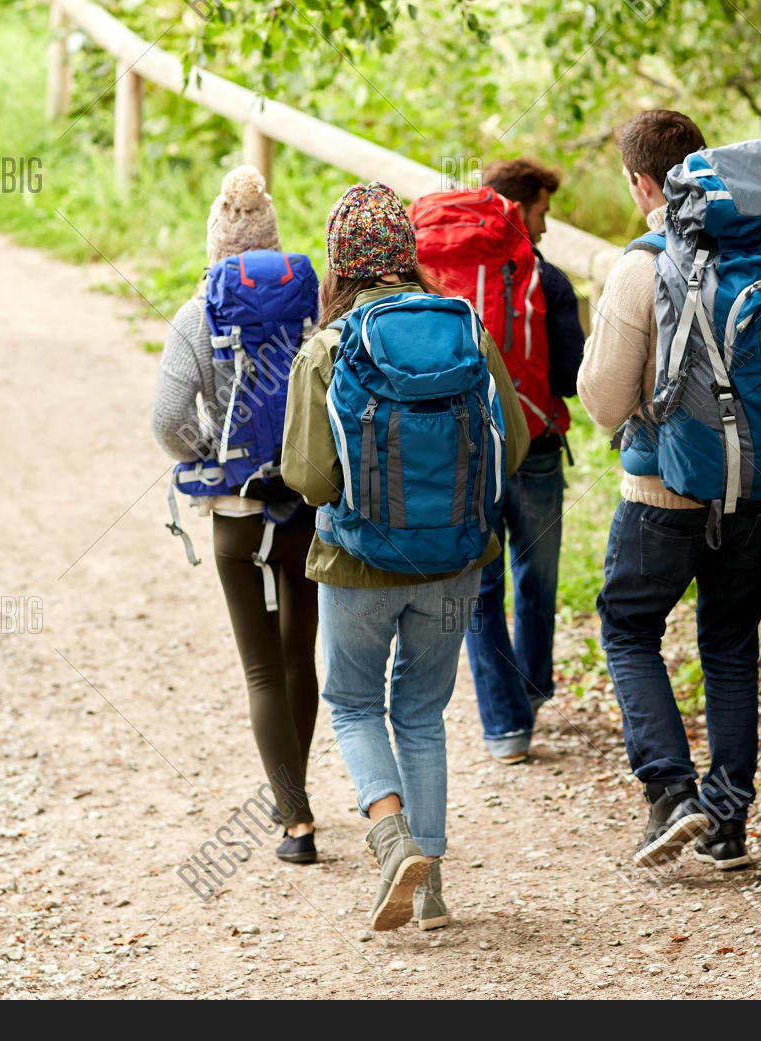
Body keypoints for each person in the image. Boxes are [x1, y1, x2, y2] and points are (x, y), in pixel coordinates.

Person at [280, 183, 530, 932]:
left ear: (340, 264)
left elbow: (311, 478)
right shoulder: (467, 330)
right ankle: (432, 891)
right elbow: (511, 447)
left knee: (353, 704)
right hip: (456, 562)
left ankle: (392, 842)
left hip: (359, 566)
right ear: (407, 256)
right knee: (420, 714)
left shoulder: (328, 348)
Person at [578, 109, 761, 872]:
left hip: (663, 493)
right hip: (755, 490)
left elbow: (601, 401)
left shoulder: (643, 264)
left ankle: (671, 793)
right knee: (729, 644)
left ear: (641, 183)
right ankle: (727, 825)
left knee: (629, 627)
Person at [151, 166, 321, 865]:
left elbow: (165, 419)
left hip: (234, 511)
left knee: (259, 671)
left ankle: (296, 820)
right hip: (304, 504)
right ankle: (296, 798)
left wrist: (212, 456)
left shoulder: (198, 315)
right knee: (297, 657)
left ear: (215, 246)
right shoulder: (315, 305)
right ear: (273, 245)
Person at [463, 157, 585, 764]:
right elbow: (568, 375)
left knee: (479, 589)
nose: (546, 226)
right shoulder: (550, 281)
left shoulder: (440, 274)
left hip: (463, 458)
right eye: (542, 212)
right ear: (519, 208)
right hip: (533, 448)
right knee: (535, 577)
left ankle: (505, 728)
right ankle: (532, 693)